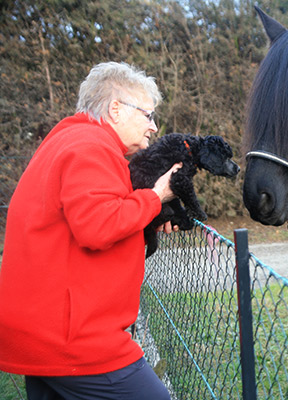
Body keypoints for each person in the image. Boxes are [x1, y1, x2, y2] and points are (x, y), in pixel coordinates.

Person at [0, 62, 181, 399]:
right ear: (116, 109)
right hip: (74, 341)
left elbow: (90, 213)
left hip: (44, 329)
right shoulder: (91, 148)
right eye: (147, 115)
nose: (153, 127)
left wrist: (147, 215)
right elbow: (98, 226)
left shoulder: (71, 140)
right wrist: (156, 196)